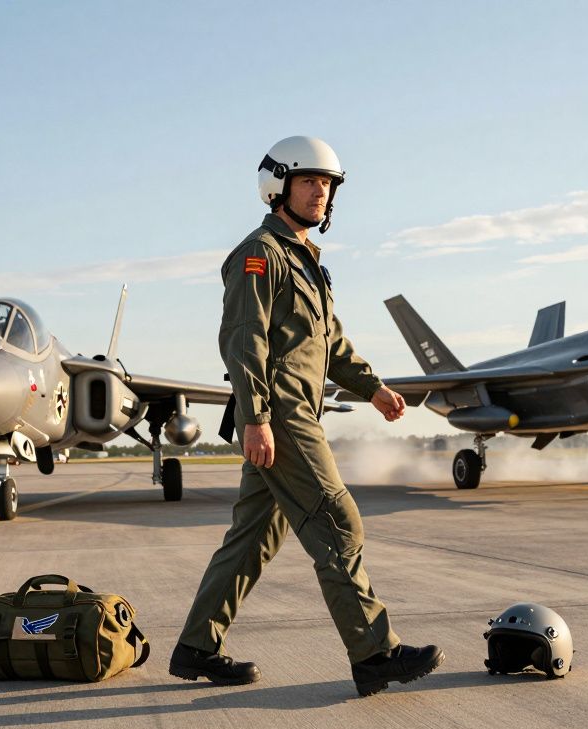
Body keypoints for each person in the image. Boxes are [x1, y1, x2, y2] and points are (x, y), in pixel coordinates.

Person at [169, 136, 443, 697]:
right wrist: (256, 418)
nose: (320, 192)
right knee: (339, 522)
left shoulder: (306, 260)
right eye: (309, 181)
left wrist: (375, 388)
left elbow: (331, 343)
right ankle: (374, 653)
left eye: (327, 184)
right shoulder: (259, 254)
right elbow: (243, 341)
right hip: (283, 417)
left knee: (252, 538)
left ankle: (196, 646)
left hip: (292, 414)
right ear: (279, 188)